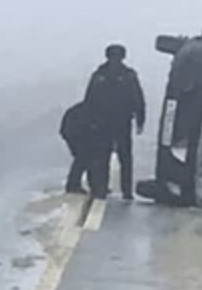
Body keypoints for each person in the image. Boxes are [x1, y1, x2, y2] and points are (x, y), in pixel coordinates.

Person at [82, 43, 147, 200]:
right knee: (103, 157)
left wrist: (140, 119)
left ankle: (125, 191)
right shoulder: (100, 76)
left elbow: (138, 99)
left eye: (117, 57)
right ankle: (102, 189)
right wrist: (89, 122)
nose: (115, 60)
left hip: (120, 122)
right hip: (103, 123)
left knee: (124, 157)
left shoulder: (127, 75)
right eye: (114, 57)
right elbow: (89, 101)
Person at [60, 100, 91, 194]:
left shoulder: (91, 107)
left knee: (86, 157)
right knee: (84, 157)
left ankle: (74, 184)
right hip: (75, 129)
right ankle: (72, 185)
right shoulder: (99, 112)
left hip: (71, 127)